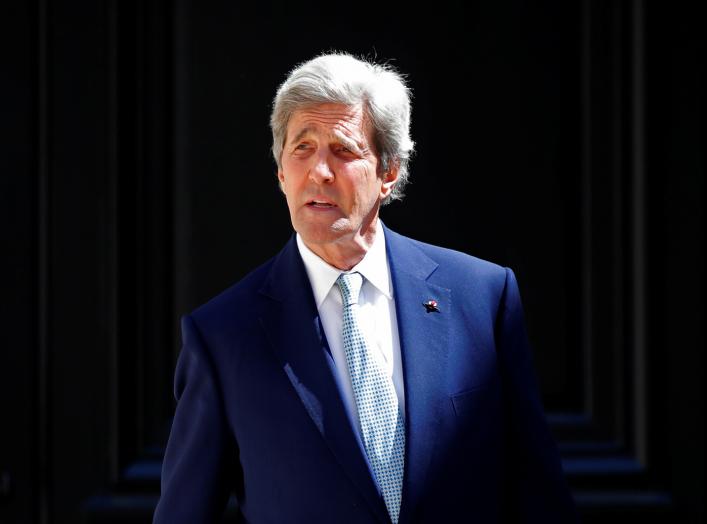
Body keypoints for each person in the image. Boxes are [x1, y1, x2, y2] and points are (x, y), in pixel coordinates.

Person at [153, 53, 577, 523]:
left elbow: (540, 497)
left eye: (343, 149)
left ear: (389, 172)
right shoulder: (223, 336)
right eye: (302, 149)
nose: (319, 171)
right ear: (280, 173)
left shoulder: (482, 297)